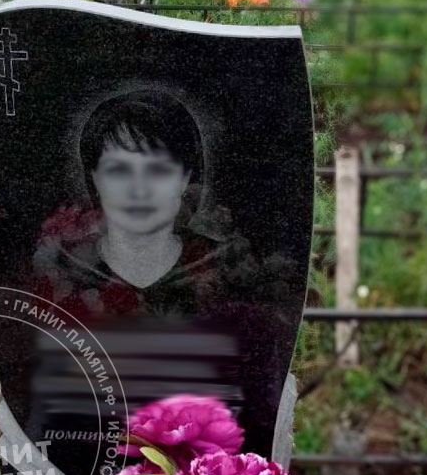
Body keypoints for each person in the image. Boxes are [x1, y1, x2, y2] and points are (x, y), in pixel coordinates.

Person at [32, 84, 261, 320]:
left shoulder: (228, 268)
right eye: (119, 170)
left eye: (157, 170)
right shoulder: (65, 272)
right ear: (95, 179)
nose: (139, 189)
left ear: (185, 178)